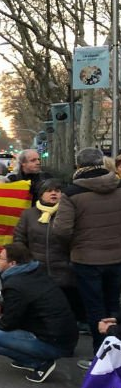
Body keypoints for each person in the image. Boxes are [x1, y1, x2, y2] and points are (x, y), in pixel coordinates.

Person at [55, 147, 121, 369]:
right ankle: (117, 354)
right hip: (117, 257)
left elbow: (62, 230)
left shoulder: (72, 192)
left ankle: (100, 358)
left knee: (95, 308)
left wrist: (74, 245)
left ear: (79, 166)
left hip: (87, 259)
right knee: (114, 305)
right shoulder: (118, 185)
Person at [0, 243, 78, 383]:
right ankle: (29, 357)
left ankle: (38, 363)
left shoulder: (14, 284)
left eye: (0, 258)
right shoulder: (35, 272)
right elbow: (24, 299)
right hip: (65, 337)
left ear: (12, 263)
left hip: (54, 343)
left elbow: (9, 323)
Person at [12, 180, 85, 330]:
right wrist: (27, 261)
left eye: (57, 190)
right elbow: (19, 238)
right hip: (37, 270)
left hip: (65, 270)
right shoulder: (29, 214)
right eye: (49, 190)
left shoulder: (70, 212)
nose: (54, 193)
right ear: (41, 194)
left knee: (67, 307)